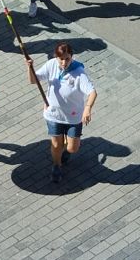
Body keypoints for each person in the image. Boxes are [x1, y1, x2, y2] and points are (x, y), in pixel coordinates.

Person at [26, 41, 97, 182]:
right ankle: (56, 165)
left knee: (72, 149)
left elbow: (92, 92)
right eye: (61, 59)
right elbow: (34, 80)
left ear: (72, 57)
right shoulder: (51, 64)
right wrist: (30, 68)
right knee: (56, 144)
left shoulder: (79, 73)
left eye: (67, 59)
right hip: (53, 114)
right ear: (55, 57)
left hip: (73, 117)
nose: (64, 62)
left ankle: (66, 148)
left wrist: (87, 108)